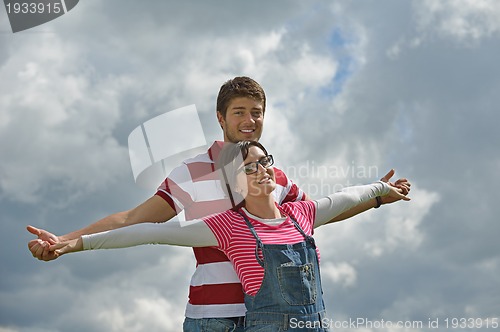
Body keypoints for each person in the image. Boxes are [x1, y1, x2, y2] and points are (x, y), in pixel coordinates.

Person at [27, 76, 410, 332]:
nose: (249, 120)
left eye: (256, 112)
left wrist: (379, 197)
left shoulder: (274, 176)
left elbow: (320, 214)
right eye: (239, 112)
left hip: (280, 319)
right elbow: (134, 220)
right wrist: (66, 240)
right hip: (215, 317)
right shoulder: (191, 172)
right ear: (221, 117)